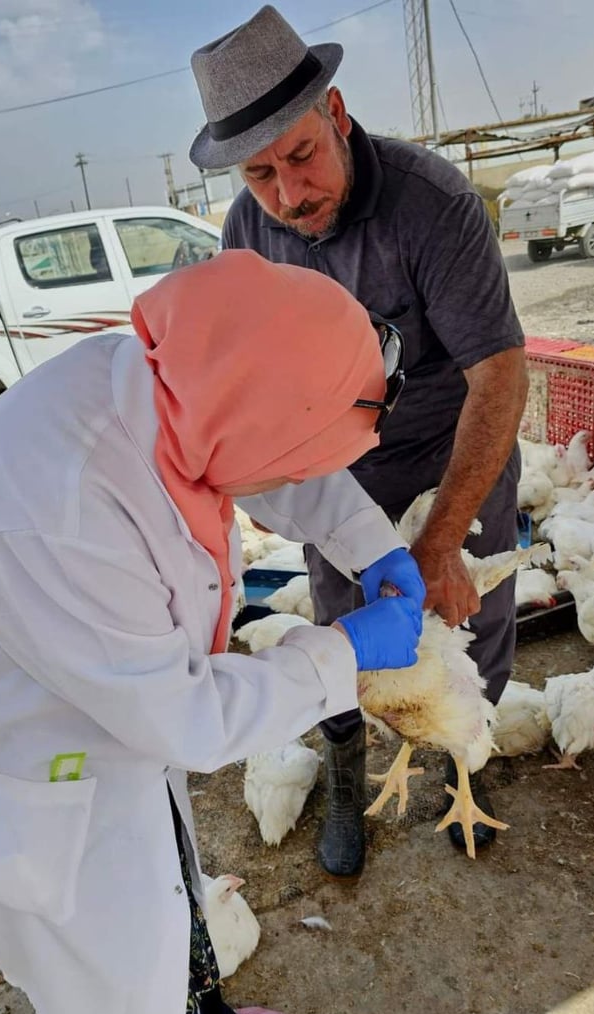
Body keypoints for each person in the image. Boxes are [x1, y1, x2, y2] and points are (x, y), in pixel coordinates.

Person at [0, 250, 425, 1014]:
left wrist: (372, 545)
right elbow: (188, 718)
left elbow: (271, 455)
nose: (294, 476)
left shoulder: (179, 384)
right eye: (294, 459)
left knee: (170, 888)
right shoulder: (59, 508)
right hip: (43, 757)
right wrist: (341, 652)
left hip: (111, 716)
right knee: (127, 983)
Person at [189, 5, 529, 877]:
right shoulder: (248, 230)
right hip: (333, 466)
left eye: (300, 156)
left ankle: (466, 762)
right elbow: (255, 378)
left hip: (450, 448)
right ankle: (346, 770)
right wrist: (265, 477)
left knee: (467, 614)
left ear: (335, 113)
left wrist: (441, 538)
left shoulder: (432, 204)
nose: (287, 195)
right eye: (259, 174)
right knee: (340, 621)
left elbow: (498, 377)